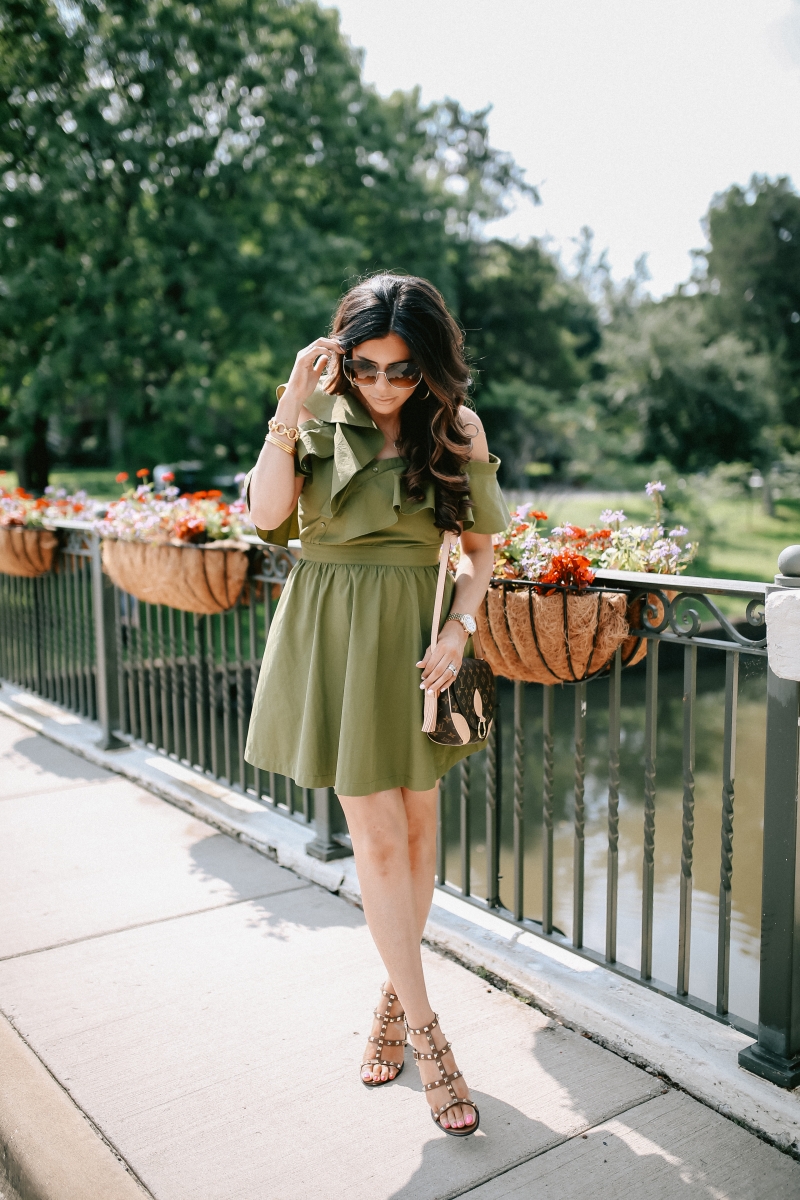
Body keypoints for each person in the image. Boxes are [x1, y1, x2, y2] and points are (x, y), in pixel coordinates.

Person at [245, 274, 509, 1137]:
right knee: (382, 837)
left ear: (429, 363)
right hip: (332, 637)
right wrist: (293, 396)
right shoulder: (314, 415)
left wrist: (460, 631)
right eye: (368, 368)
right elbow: (266, 514)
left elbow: (479, 553)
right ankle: (431, 1038)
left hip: (420, 645)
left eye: (403, 370)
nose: (387, 386)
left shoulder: (454, 426)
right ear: (343, 355)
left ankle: (395, 1001)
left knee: (424, 832)